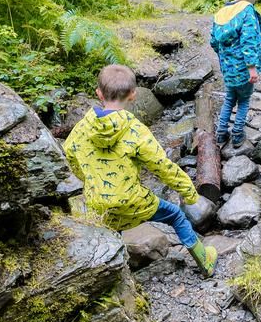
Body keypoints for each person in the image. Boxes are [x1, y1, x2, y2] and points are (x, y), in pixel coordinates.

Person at [63, 64, 217, 278]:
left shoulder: (82, 127)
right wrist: (189, 193)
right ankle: (205, 262)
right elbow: (162, 166)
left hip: (97, 200)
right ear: (133, 95)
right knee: (175, 215)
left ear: (98, 93)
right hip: (130, 199)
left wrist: (88, 179)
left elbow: (69, 154)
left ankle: (117, 271)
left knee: (110, 229)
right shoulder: (135, 130)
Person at [210, 0, 261, 148]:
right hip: (244, 71)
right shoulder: (247, 11)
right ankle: (238, 134)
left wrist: (226, 59)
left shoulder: (221, 13)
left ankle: (221, 133)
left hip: (228, 70)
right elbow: (249, 41)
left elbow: (214, 42)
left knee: (229, 98)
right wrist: (252, 68)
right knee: (244, 101)